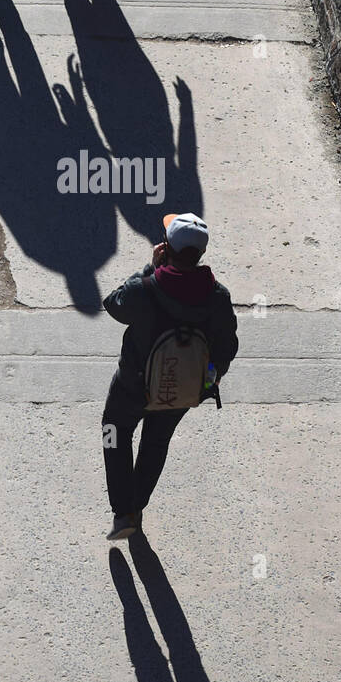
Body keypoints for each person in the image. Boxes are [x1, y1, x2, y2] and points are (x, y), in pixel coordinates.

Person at [101, 212, 238, 540]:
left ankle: (124, 512)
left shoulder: (147, 288)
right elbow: (226, 348)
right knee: (156, 442)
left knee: (114, 431)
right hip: (179, 390)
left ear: (166, 248)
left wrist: (150, 268)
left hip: (133, 386)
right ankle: (136, 505)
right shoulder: (218, 298)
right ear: (201, 254)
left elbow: (113, 304)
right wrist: (206, 382)